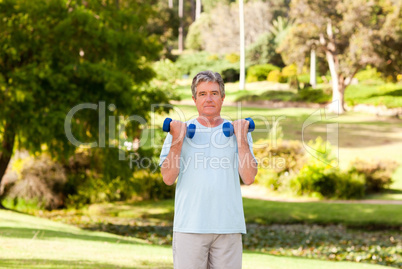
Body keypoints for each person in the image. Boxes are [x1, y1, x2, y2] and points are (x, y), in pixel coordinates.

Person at [159, 70, 258, 269]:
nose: (209, 99)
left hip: (228, 226)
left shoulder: (239, 132)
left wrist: (240, 139)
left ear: (222, 98)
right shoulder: (178, 131)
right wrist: (178, 140)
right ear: (194, 99)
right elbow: (168, 178)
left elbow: (248, 177)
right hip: (190, 226)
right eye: (203, 94)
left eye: (214, 93)